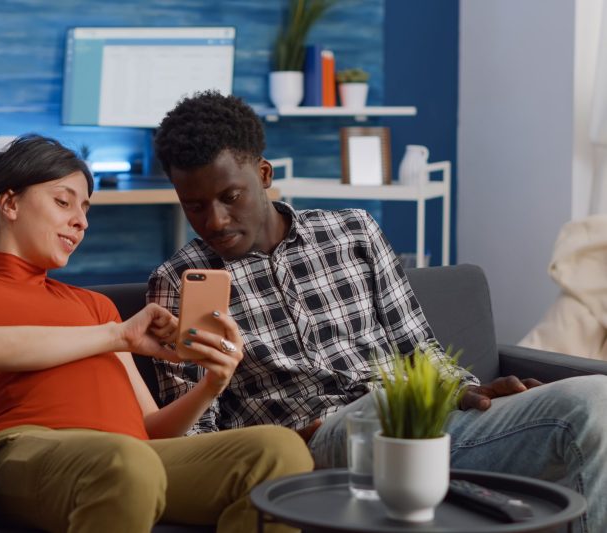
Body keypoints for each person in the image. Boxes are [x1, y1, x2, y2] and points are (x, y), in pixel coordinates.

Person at [148, 91, 607, 532]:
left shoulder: (355, 232)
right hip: (315, 443)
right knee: (379, 405)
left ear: (264, 175)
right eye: (194, 206)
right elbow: (196, 443)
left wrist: (469, 393)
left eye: (230, 196)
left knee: (593, 401)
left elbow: (420, 352)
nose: (215, 221)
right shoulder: (176, 282)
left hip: (416, 420)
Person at [0, 134, 312, 533]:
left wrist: (212, 383)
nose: (81, 221)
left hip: (131, 456)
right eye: (63, 201)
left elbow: (151, 427)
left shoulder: (95, 307)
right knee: (125, 463)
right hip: (24, 450)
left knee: (280, 451)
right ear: (10, 203)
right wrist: (116, 336)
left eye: (85, 208)